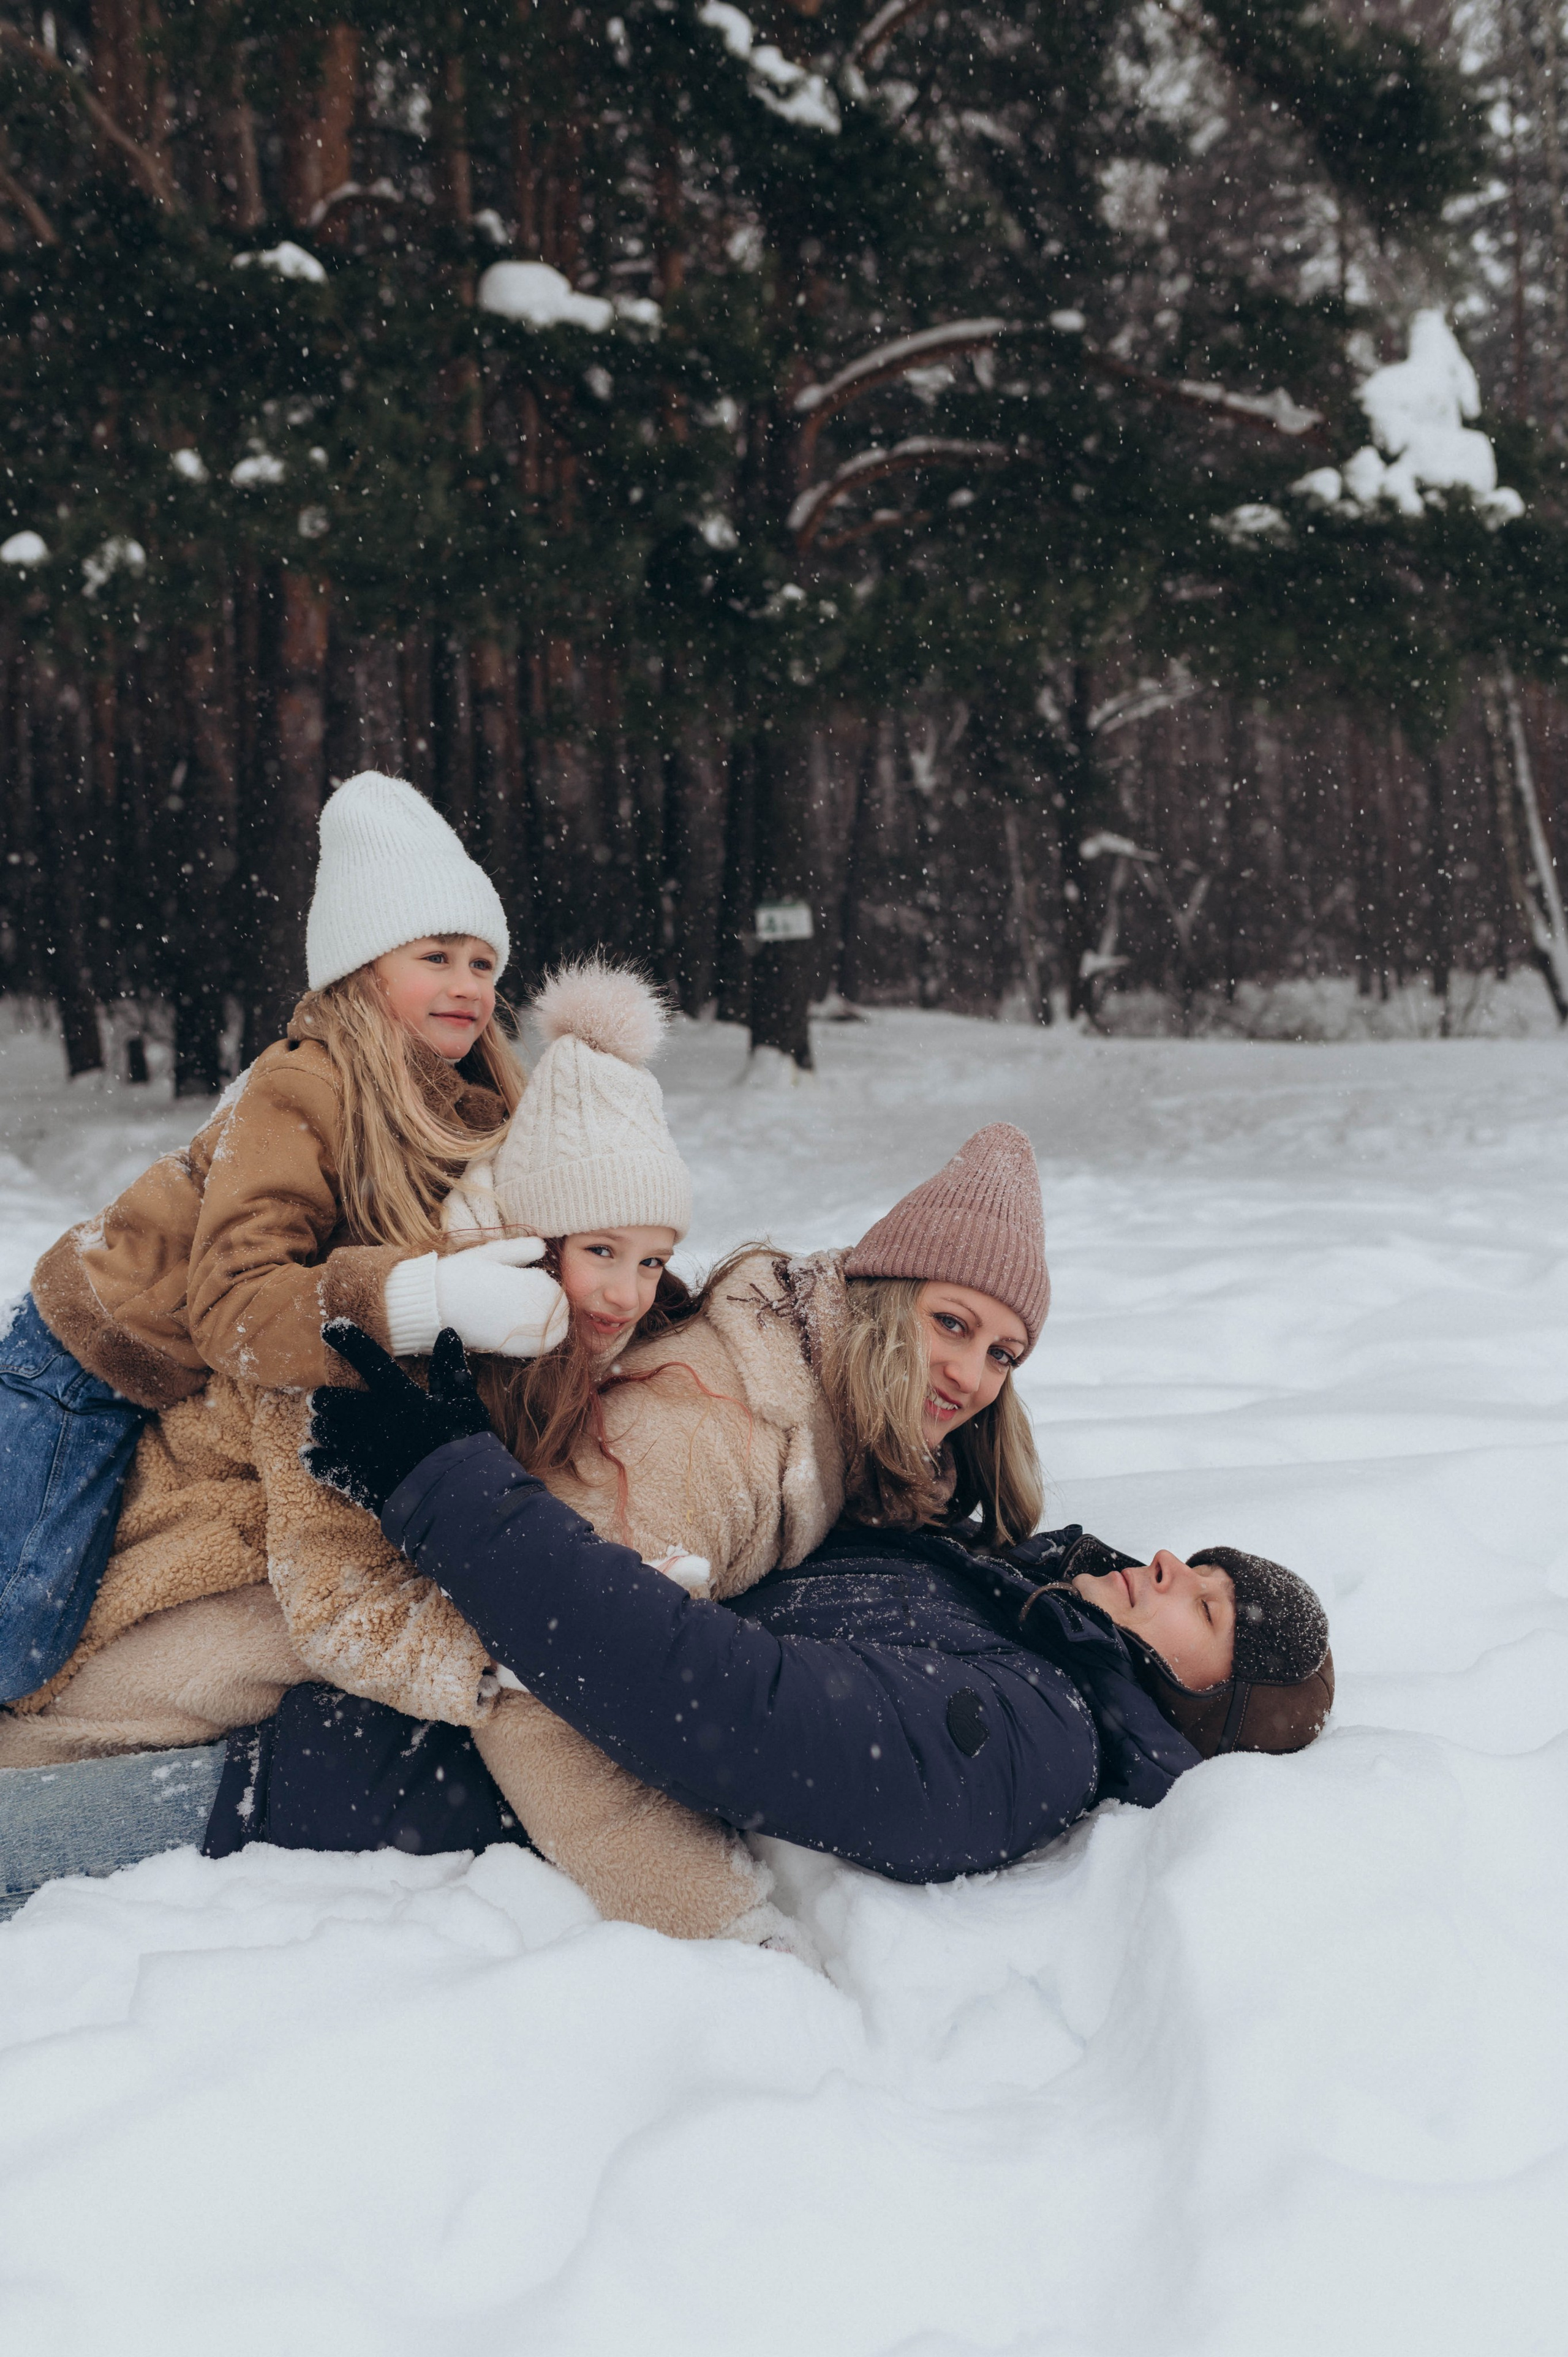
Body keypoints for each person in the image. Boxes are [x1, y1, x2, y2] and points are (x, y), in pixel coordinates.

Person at [0, 770, 560, 1705]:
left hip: (186, 1386)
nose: (468, 985)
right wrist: (423, 1298)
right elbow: (236, 1308)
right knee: (17, 1639)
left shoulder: (468, 1095)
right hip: (86, 1363)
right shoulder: (302, 1085)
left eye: (482, 962)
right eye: (436, 957)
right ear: (363, 968)